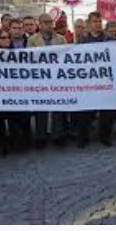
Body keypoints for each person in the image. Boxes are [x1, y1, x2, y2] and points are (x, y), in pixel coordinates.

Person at [76, 11, 116, 148]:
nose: (98, 24)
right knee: (85, 112)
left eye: (100, 21)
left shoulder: (110, 40)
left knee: (106, 113)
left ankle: (105, 137)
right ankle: (83, 138)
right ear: (89, 23)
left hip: (105, 82)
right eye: (95, 21)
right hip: (88, 83)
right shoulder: (82, 41)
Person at [27, 14, 68, 148]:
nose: (49, 25)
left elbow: (67, 57)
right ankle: (41, 136)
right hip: (40, 79)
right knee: (41, 109)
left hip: (57, 79)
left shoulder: (61, 39)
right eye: (46, 22)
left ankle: (58, 135)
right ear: (40, 24)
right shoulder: (32, 40)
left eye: (51, 22)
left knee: (57, 108)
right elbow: (29, 59)